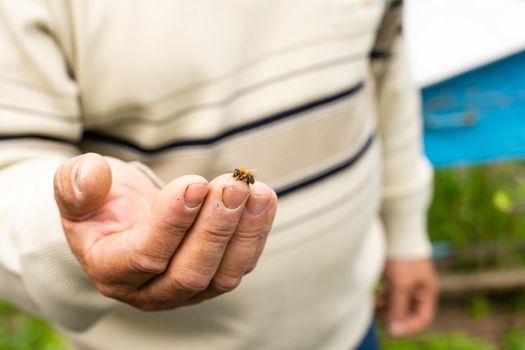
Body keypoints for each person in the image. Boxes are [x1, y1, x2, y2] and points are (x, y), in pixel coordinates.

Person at [0, 0, 437, 349]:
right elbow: (11, 159)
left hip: (345, 324)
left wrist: (405, 231)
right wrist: (71, 235)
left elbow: (386, 67)